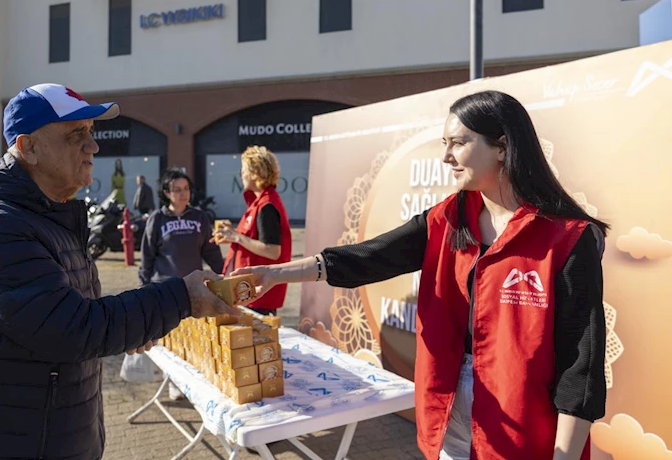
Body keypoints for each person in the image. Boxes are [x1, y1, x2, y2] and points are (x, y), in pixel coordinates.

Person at [231, 91, 607, 460]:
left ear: (502, 147)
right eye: (445, 143)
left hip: (524, 429)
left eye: (458, 143)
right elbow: (369, 258)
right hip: (448, 412)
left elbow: (581, 361)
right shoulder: (445, 219)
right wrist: (276, 273)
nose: (446, 157)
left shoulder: (568, 237)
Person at [0, 83, 238, 460]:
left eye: (91, 132)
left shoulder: (45, 214)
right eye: (76, 135)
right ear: (29, 148)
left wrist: (132, 325)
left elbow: (68, 313)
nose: (93, 147)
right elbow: (70, 329)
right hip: (3, 441)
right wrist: (180, 297)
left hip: (40, 431)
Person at [140, 167, 224, 399]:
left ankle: (192, 381)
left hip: (193, 291)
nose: (183, 194)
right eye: (177, 190)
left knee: (193, 339)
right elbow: (147, 256)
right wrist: (143, 287)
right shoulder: (157, 219)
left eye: (186, 189)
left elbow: (210, 251)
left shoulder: (199, 217)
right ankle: (173, 382)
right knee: (170, 341)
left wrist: (225, 273)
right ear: (167, 192)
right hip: (164, 290)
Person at [215, 145, 292, 316]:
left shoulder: (267, 206)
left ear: (255, 172)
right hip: (252, 291)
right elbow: (253, 238)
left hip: (258, 294)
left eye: (243, 170)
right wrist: (232, 235)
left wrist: (236, 237)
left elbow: (272, 251)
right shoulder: (260, 202)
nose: (241, 174)